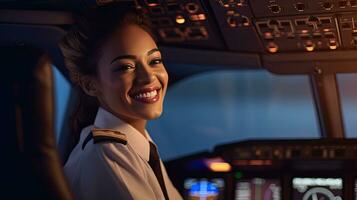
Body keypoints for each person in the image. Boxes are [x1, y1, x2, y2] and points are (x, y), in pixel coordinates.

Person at [59, 5, 182, 200]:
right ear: (91, 85)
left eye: (154, 61)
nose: (148, 77)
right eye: (126, 67)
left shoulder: (135, 147)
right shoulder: (108, 155)